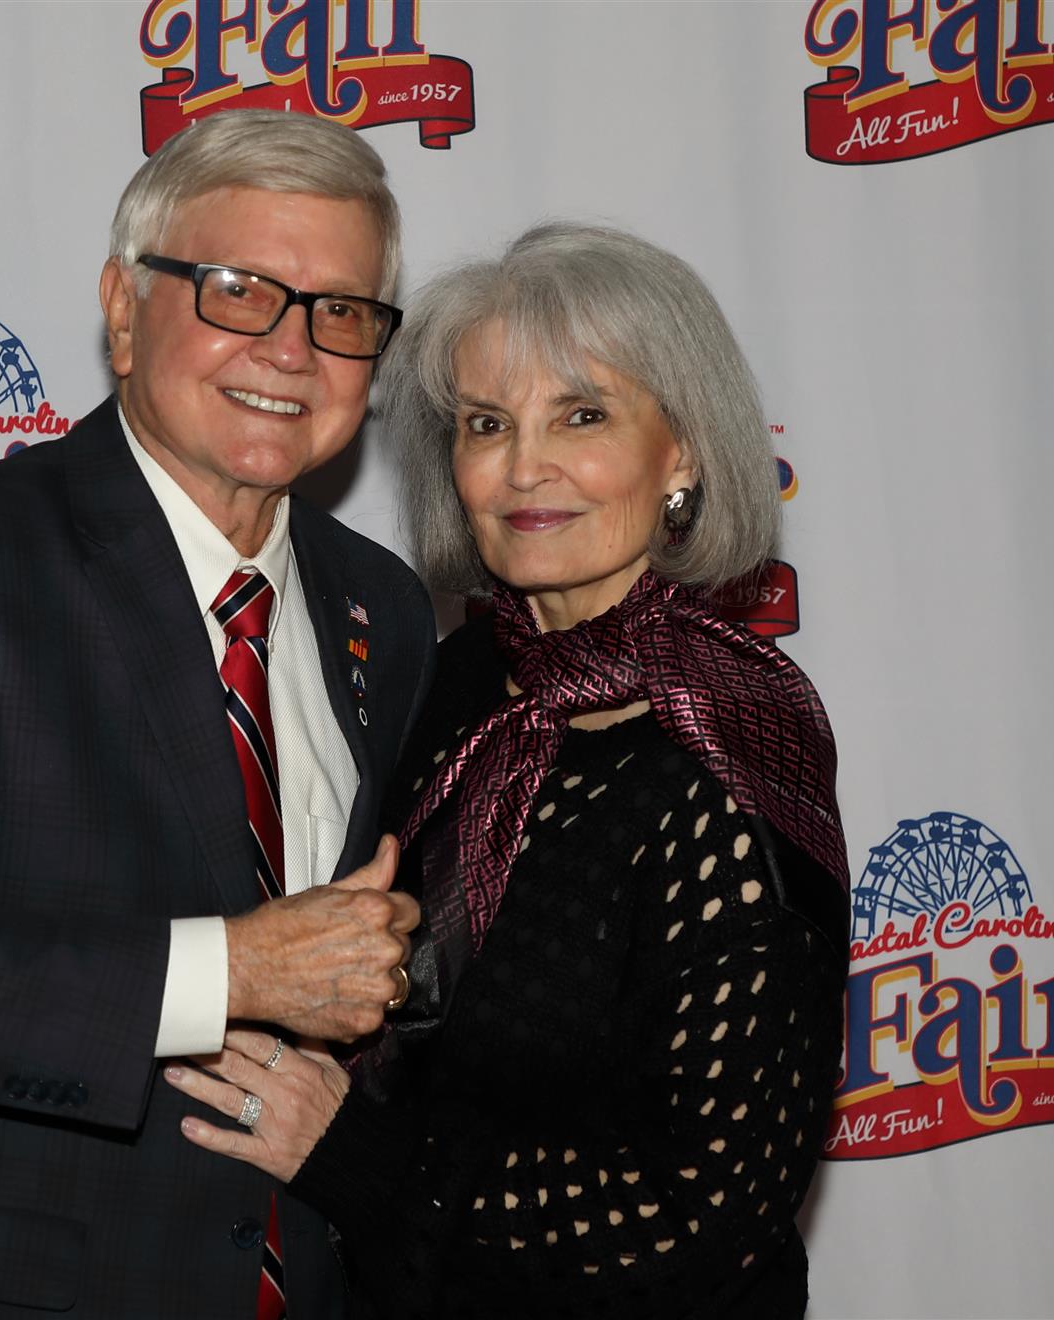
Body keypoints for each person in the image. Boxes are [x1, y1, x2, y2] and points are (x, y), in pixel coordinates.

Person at [0, 109, 439, 1319]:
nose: (291, 349)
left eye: (340, 311)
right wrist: (233, 969)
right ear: (123, 310)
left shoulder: (388, 605)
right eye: (237, 291)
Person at [166, 222, 851, 1318]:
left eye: (582, 415)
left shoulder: (731, 745)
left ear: (681, 454)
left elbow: (701, 1220)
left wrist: (352, 1154)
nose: (525, 467)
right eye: (488, 423)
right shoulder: (457, 680)